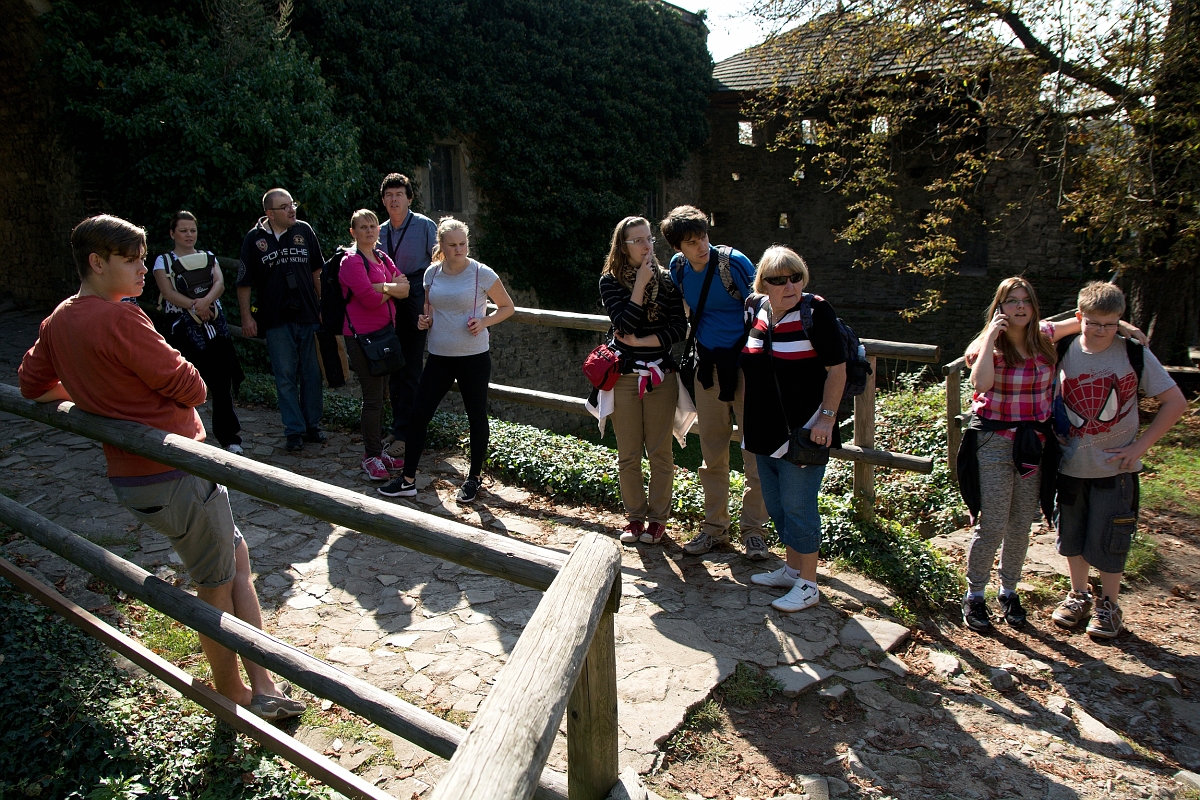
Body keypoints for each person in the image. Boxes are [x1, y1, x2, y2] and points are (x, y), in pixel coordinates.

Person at [18, 215, 304, 720]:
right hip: (176, 475)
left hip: (137, 479)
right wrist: (121, 390)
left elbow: (33, 385)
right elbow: (193, 387)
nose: (142, 269)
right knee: (214, 585)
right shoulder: (121, 318)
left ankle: (262, 679)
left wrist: (97, 394)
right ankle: (234, 695)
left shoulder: (59, 320)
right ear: (97, 262)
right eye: (131, 260)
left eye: (143, 258)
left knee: (235, 559)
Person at [1051, 281, 1185, 639]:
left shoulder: (1133, 354)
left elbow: (1176, 402)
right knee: (1071, 534)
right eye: (1093, 323)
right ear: (1078, 317)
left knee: (1112, 537)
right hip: (1070, 465)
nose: (1100, 331)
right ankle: (1078, 595)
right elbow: (1029, 330)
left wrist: (1139, 448)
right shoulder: (1062, 347)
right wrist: (1115, 324)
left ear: (1120, 321)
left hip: (1116, 469)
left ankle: (1109, 605)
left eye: (1110, 324)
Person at [957, 277, 1091, 631]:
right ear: (1000, 307)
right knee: (993, 523)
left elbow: (1087, 319)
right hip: (995, 441)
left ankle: (1008, 591)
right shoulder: (990, 345)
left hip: (1034, 444)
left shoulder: (1045, 335)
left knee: (1020, 524)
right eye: (1011, 301)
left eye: (1025, 300)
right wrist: (989, 336)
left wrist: (1126, 327)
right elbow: (980, 383)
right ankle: (975, 595)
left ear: (1033, 306)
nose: (1020, 307)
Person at [378, 218, 515, 503]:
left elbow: (507, 307)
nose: (459, 249)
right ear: (441, 245)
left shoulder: (481, 273)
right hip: (439, 356)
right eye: (452, 245)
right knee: (418, 416)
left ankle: (473, 478)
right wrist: (424, 319)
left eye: (463, 243)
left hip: (473, 356)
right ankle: (407, 480)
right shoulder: (431, 273)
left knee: (476, 417)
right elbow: (429, 305)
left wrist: (484, 321)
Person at [661, 205, 771, 559]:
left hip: (746, 366)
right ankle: (714, 528)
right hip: (707, 366)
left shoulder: (733, 263)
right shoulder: (679, 268)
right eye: (692, 242)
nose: (702, 246)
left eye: (704, 236)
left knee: (755, 452)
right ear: (678, 247)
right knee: (712, 452)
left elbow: (764, 307)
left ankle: (754, 531)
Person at [740, 247, 846, 612]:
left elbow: (837, 369)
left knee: (799, 507)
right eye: (779, 280)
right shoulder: (756, 309)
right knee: (777, 505)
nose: (790, 286)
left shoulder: (816, 311)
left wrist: (826, 419)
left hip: (804, 431)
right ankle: (791, 570)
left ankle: (809, 584)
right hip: (764, 429)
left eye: (796, 277)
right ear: (763, 284)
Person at [599, 216, 688, 546]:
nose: (646, 245)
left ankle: (658, 521)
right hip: (624, 378)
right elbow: (624, 325)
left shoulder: (668, 282)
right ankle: (635, 518)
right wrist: (639, 286)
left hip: (661, 377)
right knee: (628, 454)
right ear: (623, 247)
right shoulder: (609, 282)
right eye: (638, 240)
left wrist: (641, 342)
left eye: (649, 238)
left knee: (660, 453)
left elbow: (679, 329)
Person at [237, 188, 326, 452]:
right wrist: (246, 317)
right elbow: (244, 282)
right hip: (275, 318)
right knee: (285, 376)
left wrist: (323, 305)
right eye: (284, 207)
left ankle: (312, 425)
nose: (292, 210)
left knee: (312, 374)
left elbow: (317, 271)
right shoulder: (254, 239)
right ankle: (294, 430)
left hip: (308, 314)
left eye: (292, 204)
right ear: (270, 213)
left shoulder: (304, 231)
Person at [152, 210, 244, 455]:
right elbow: (168, 292)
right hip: (182, 329)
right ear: (172, 233)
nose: (189, 234)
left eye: (192, 230)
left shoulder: (208, 257)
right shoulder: (164, 261)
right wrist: (195, 307)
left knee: (222, 381)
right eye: (183, 230)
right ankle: (182, 434)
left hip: (213, 325)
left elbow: (219, 283)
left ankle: (229, 438)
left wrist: (205, 303)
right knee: (183, 380)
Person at [340, 208, 409, 480]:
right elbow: (368, 301)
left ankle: (378, 452)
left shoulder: (381, 258)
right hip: (361, 337)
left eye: (372, 226)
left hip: (383, 335)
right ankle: (370, 456)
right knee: (372, 399)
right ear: (353, 232)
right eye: (363, 227)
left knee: (381, 397)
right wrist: (389, 287)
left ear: (378, 230)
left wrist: (380, 287)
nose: (369, 231)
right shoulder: (351, 261)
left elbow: (405, 289)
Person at [377, 174, 438, 452]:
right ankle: (396, 428)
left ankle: (407, 433)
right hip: (387, 295)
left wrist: (430, 304)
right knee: (393, 365)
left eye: (399, 194)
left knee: (412, 366)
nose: (394, 200)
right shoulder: (379, 231)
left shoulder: (424, 226)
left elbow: (437, 265)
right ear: (383, 200)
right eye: (389, 195)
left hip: (415, 292)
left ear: (409, 198)